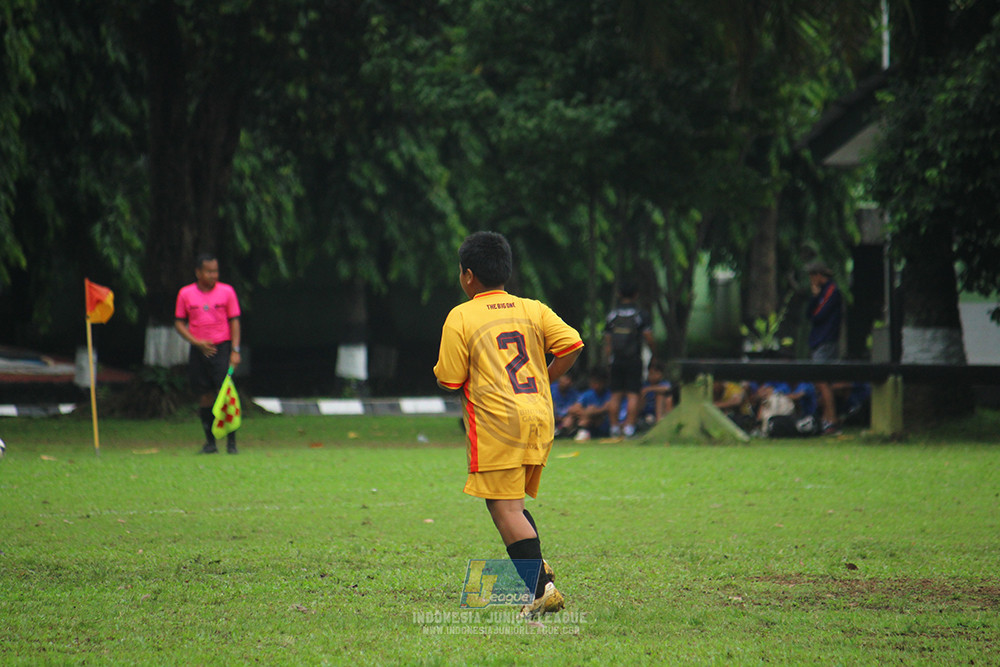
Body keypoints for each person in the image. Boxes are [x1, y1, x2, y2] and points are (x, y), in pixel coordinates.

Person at [433, 231, 583, 619]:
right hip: (538, 417)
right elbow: (571, 345)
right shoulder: (533, 308)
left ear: (468, 276)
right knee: (510, 504)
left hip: (498, 422)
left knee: (504, 511)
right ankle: (539, 571)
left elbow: (449, 380)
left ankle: (541, 589)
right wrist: (544, 378)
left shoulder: (461, 316)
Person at [174, 254, 242, 454]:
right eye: (209, 271)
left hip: (222, 349)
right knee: (204, 395)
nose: (213, 275)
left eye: (216, 271)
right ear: (198, 272)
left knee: (226, 395)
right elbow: (179, 322)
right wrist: (196, 342)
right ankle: (210, 442)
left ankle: (232, 443)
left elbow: (235, 321)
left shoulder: (227, 292)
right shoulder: (185, 294)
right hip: (198, 350)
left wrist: (235, 350)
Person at [603, 282, 655, 438]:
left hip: (616, 360)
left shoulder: (612, 315)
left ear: (619, 294)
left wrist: (608, 359)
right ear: (636, 294)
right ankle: (629, 428)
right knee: (633, 393)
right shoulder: (641, 314)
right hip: (634, 359)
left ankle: (613, 428)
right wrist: (654, 353)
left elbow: (607, 340)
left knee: (615, 394)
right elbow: (648, 337)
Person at [806, 261, 843, 435]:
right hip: (819, 340)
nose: (811, 280)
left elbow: (818, 315)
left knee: (822, 380)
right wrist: (814, 297)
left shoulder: (831, 291)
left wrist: (815, 298)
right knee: (821, 381)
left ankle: (831, 419)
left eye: (812, 276)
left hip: (826, 340)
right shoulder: (821, 293)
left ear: (819, 275)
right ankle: (826, 418)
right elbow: (809, 314)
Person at [567, 368, 613, 441]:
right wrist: (587, 413)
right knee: (570, 419)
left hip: (602, 422)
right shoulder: (588, 394)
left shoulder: (610, 395)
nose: (595, 385)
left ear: (604, 382)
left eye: (598, 382)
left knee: (589, 419)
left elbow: (606, 409)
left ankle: (582, 432)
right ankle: (565, 433)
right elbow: (573, 409)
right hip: (587, 418)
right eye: (593, 382)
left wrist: (594, 411)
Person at [639, 359, 673, 427]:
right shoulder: (645, 384)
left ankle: (660, 421)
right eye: (651, 373)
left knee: (663, 397)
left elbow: (667, 389)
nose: (653, 376)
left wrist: (650, 389)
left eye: (656, 373)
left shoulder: (664, 383)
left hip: (660, 411)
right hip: (647, 412)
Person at [551, 372, 579, 438]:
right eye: (565, 378)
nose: (566, 382)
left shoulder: (573, 393)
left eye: (568, 379)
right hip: (552, 417)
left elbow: (576, 407)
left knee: (570, 418)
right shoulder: (550, 389)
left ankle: (562, 432)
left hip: (565, 419)